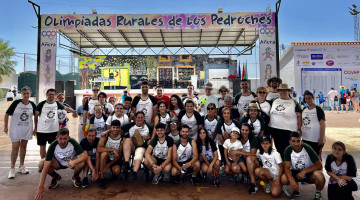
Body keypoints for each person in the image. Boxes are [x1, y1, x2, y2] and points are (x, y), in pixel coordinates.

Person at [34, 128, 87, 200]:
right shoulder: (53, 145)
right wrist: (41, 187)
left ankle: (76, 176)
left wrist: (74, 162)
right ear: (57, 138)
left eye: (65, 138)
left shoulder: (73, 142)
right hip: (57, 163)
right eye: (60, 138)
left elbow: (84, 156)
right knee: (41, 164)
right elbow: (45, 167)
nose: (62, 141)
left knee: (82, 163)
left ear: (68, 138)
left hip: (71, 162)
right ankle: (55, 176)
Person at [34, 89, 78, 160]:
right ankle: (43, 163)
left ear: (54, 96)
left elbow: (66, 108)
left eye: (53, 94)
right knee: (42, 147)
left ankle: (51, 163)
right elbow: (35, 116)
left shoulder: (57, 103)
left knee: (53, 147)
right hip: (42, 130)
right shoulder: (41, 104)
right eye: (49, 94)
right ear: (46, 95)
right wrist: (35, 128)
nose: (51, 96)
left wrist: (74, 112)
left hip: (54, 130)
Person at [281, 132, 325, 200]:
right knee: (284, 178)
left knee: (319, 176)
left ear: (301, 141)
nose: (296, 144)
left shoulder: (307, 148)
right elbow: (286, 167)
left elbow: (319, 165)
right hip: (295, 172)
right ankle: (297, 190)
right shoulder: (288, 150)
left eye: (298, 141)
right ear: (290, 142)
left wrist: (304, 171)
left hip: (308, 172)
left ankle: (318, 193)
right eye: (293, 141)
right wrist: (291, 179)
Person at [4, 86, 36, 179]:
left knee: (23, 147)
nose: (26, 95)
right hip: (16, 129)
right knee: (15, 148)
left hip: (26, 129)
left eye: (28, 93)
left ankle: (21, 166)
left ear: (30, 94)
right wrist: (5, 126)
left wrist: (36, 128)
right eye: (24, 93)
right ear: (21, 94)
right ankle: (12, 169)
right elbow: (7, 114)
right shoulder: (16, 103)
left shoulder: (32, 104)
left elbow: (37, 115)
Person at [268, 83, 302, 159]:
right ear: (278, 92)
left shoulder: (294, 102)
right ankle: (283, 166)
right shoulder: (274, 100)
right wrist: (255, 100)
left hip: (289, 130)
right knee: (279, 149)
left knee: (289, 150)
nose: (283, 92)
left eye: (285, 90)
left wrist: (299, 129)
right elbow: (263, 103)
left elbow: (299, 116)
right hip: (275, 129)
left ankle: (288, 166)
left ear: (288, 91)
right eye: (281, 91)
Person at [121, 111, 153, 181]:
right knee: (127, 140)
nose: (140, 119)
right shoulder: (131, 125)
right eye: (138, 117)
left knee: (139, 152)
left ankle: (134, 172)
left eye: (142, 118)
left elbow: (154, 135)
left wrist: (149, 137)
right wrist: (123, 137)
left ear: (144, 118)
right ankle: (126, 163)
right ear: (135, 118)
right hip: (131, 146)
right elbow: (120, 129)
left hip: (142, 146)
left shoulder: (148, 126)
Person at [97, 120, 127, 189]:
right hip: (107, 157)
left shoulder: (122, 138)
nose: (115, 129)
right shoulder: (105, 135)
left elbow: (119, 154)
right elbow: (99, 149)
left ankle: (112, 172)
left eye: (117, 128)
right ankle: (101, 178)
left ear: (119, 128)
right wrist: (112, 149)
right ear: (111, 127)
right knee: (103, 154)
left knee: (116, 171)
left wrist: (108, 165)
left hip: (115, 159)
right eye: (113, 127)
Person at [302, 91, 326, 160]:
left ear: (313, 98)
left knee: (316, 158)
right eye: (306, 98)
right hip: (306, 138)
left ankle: (318, 170)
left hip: (316, 139)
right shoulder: (304, 110)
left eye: (309, 98)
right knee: (307, 157)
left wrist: (321, 137)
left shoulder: (318, 109)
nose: (308, 100)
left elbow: (322, 124)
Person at [238, 123, 259, 194]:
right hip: (242, 160)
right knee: (232, 169)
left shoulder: (253, 139)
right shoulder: (238, 138)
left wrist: (239, 153)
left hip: (253, 162)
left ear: (249, 131)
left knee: (249, 159)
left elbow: (252, 154)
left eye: (246, 130)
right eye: (243, 130)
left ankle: (253, 183)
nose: (244, 132)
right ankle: (245, 175)